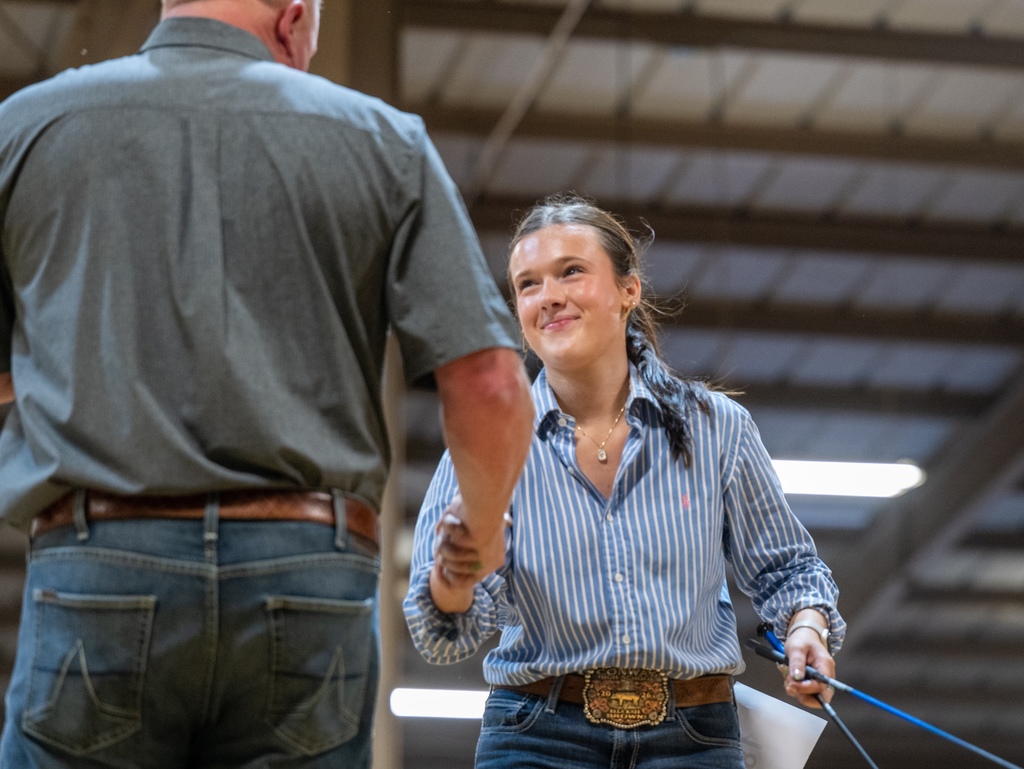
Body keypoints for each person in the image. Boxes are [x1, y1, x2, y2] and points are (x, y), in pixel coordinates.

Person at [0, 0, 534, 766]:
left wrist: (92, 359)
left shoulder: (27, 127)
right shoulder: (383, 139)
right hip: (307, 575)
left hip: (99, 564)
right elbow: (489, 383)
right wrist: (478, 539)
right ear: (292, 21)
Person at [404, 194, 846, 769]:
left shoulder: (716, 427)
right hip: (537, 737)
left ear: (628, 291)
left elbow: (787, 569)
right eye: (528, 284)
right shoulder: (488, 446)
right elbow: (442, 634)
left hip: (694, 739)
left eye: (571, 272)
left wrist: (806, 626)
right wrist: (452, 575)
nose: (550, 296)